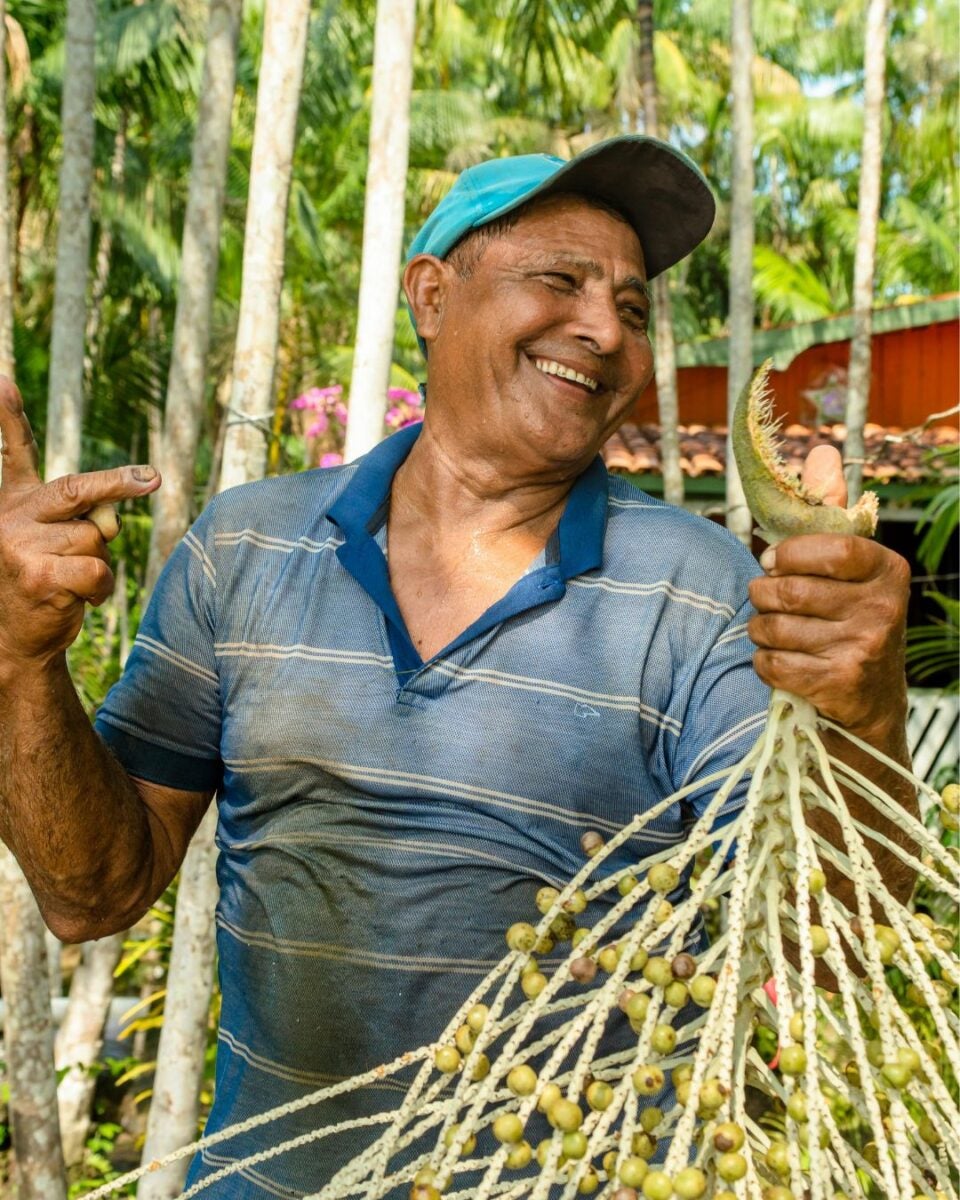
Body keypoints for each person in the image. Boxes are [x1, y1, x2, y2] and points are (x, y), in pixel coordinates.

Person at [0, 136, 912, 1197]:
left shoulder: (698, 588)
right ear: (432, 297)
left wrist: (867, 719)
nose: (604, 329)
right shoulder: (244, 549)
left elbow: (821, 945)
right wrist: (21, 667)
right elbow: (91, 890)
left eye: (632, 305)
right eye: (559, 281)